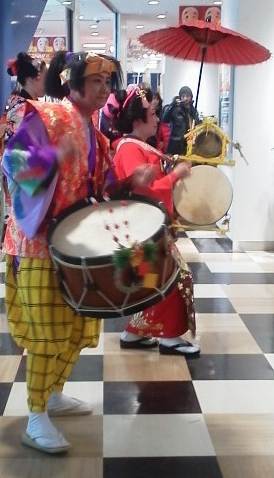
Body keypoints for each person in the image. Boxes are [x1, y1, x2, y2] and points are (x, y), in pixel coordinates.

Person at [1, 51, 155, 455]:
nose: (104, 89)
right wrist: (52, 156)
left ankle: (52, 395)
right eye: (96, 81)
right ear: (73, 83)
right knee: (48, 335)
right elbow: (11, 162)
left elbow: (100, 188)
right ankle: (35, 416)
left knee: (75, 331)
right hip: (38, 246)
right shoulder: (46, 116)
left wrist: (129, 183)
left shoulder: (97, 135)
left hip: (76, 248)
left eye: (107, 82)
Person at [111, 84, 200, 357]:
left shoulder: (136, 146)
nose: (157, 118)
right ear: (137, 119)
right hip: (143, 228)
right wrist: (174, 176)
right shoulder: (129, 149)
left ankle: (134, 332)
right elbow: (144, 192)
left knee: (152, 281)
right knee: (171, 278)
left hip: (146, 227)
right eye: (152, 113)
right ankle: (170, 337)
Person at [162, 85, 200, 155]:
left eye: (187, 96)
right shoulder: (175, 109)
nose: (185, 98)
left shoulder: (193, 111)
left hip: (187, 146)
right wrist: (172, 105)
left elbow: (197, 124)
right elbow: (165, 119)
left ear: (191, 97)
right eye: (183, 96)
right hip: (174, 147)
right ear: (180, 97)